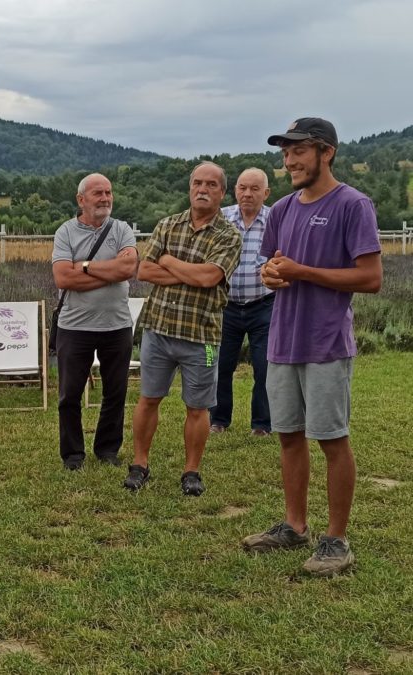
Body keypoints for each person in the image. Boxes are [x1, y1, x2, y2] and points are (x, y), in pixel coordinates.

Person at [241, 118, 382, 577]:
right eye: (285, 153)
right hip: (283, 340)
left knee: (332, 439)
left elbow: (370, 278)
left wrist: (303, 271)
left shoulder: (352, 205)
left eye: (297, 151)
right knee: (288, 436)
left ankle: (337, 541)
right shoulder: (281, 209)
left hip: (326, 343)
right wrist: (272, 274)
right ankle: (294, 525)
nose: (288, 161)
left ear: (326, 152)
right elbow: (272, 268)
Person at [127, 162, 242, 496]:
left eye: (210, 184)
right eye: (197, 183)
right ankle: (140, 464)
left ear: (222, 191)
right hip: (158, 329)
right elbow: (144, 272)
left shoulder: (229, 235)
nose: (202, 189)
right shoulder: (167, 225)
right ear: (190, 188)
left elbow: (210, 278)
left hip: (201, 335)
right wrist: (191, 273)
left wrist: (169, 262)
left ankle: (191, 471)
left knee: (198, 406)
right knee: (149, 399)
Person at [51, 173, 138, 470]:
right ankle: (73, 455)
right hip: (74, 327)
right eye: (97, 193)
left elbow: (127, 268)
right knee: (69, 395)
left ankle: (107, 450)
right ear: (81, 199)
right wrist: (108, 273)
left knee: (116, 392)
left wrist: (85, 268)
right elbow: (63, 277)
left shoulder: (122, 229)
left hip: (117, 325)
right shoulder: (65, 232)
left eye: (108, 192)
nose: (104, 198)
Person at [210, 168, 274, 436]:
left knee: (265, 366)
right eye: (242, 188)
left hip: (265, 304)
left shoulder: (275, 220)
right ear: (235, 190)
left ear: (266, 193)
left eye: (254, 189)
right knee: (221, 365)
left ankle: (261, 424)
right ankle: (219, 420)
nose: (247, 194)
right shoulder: (222, 218)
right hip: (227, 305)